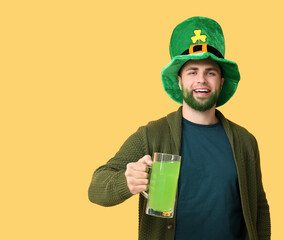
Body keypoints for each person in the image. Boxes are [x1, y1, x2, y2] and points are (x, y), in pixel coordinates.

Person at [88, 16, 271, 240]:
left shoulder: (245, 141)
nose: (201, 80)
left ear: (221, 82)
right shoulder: (152, 135)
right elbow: (96, 188)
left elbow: (258, 207)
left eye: (210, 72)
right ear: (179, 81)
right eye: (192, 72)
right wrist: (126, 182)